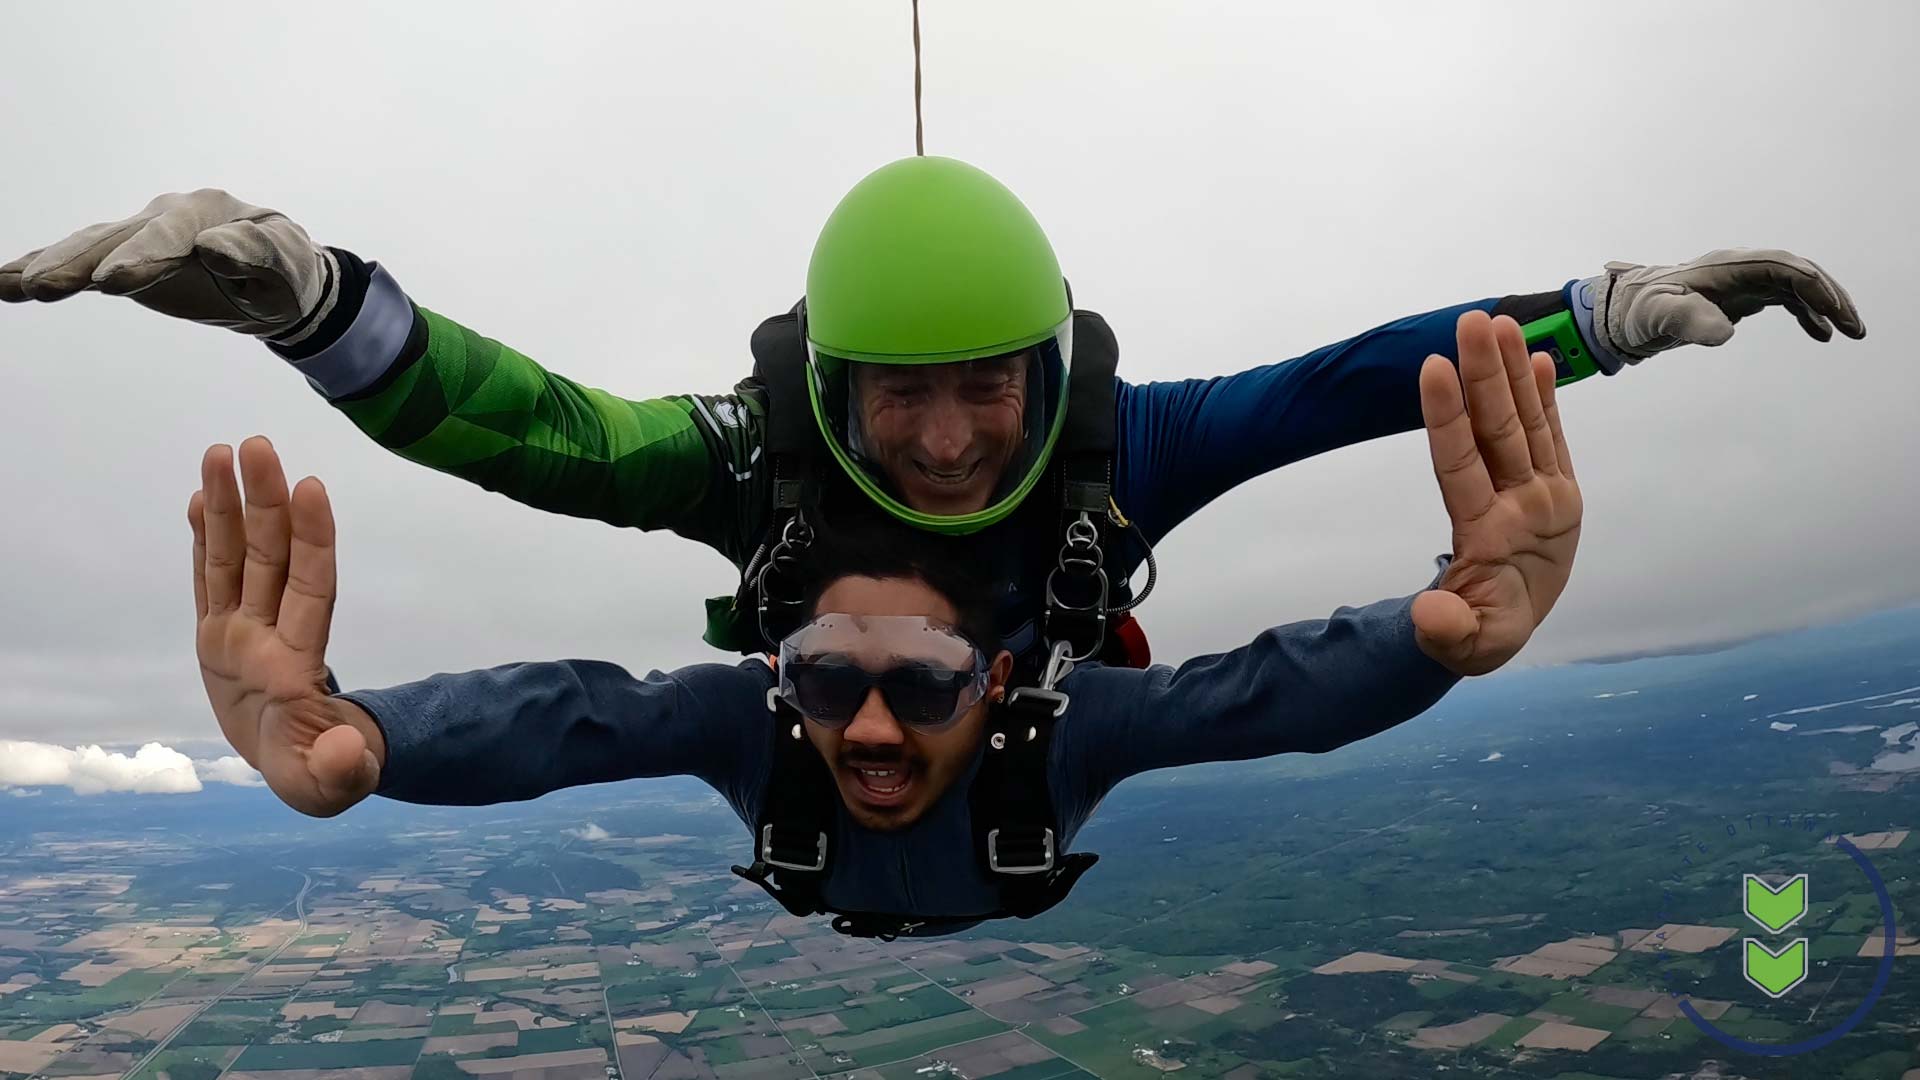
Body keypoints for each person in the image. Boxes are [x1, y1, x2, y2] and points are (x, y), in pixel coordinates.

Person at [2, 161, 1862, 666]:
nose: (960, 439)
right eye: (909, 398)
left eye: (990, 389)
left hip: (1054, 737)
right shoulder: (761, 465)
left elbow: (1353, 384)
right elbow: (543, 432)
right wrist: (323, 311)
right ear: (837, 390)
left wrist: (1590, 319)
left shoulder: (1121, 443)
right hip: (841, 761)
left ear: (1047, 373)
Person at [188, 311, 1581, 935]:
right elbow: (570, 715)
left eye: (923, 682)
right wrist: (363, 733)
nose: (859, 720)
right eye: (822, 674)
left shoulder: (1059, 734)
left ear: (1003, 678)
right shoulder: (770, 731)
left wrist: (1438, 636)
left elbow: (1260, 694)